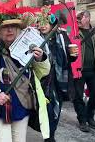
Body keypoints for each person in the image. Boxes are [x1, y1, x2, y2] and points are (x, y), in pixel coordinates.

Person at [0, 17, 51, 142]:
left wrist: (40, 59)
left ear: (19, 29)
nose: (10, 30)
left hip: (22, 106)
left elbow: (42, 73)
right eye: (5, 27)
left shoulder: (27, 47)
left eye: (14, 26)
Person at [38, 13, 78, 142]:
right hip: (44, 80)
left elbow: (70, 57)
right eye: (40, 22)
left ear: (52, 24)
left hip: (60, 80)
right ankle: (48, 136)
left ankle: (51, 135)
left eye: (45, 22)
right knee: (48, 110)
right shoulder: (35, 38)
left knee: (56, 108)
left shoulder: (62, 36)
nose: (42, 25)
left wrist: (73, 55)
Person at [73, 10, 95, 132]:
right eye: (76, 17)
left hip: (94, 70)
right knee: (78, 96)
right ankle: (82, 120)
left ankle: (89, 116)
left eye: (80, 17)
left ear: (87, 18)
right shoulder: (74, 31)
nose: (77, 19)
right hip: (78, 70)